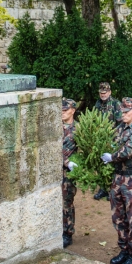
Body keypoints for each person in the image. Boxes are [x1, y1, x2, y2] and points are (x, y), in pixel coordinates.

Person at [102, 98, 132, 264]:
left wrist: (112, 157)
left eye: (126, 112)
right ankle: (124, 249)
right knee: (119, 216)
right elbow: (111, 143)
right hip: (118, 178)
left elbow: (127, 151)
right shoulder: (120, 128)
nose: (122, 114)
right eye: (122, 111)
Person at [94, 81, 123, 200]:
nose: (103, 95)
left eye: (105, 93)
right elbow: (94, 119)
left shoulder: (116, 104)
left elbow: (120, 123)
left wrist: (114, 139)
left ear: (109, 92)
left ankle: (113, 190)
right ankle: (103, 188)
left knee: (112, 164)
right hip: (101, 139)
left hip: (113, 139)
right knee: (102, 163)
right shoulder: (98, 104)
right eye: (101, 93)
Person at [61, 99, 78, 248]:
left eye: (65, 110)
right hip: (55, 171)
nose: (62, 112)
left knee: (67, 203)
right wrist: (66, 161)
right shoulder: (54, 127)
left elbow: (83, 151)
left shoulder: (78, 129)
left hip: (68, 174)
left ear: (73, 110)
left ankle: (67, 232)